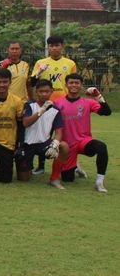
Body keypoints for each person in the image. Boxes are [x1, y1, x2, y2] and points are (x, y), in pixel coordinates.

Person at [52, 73, 111, 192]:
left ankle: (99, 182)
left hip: (84, 141)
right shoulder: (57, 103)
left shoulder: (88, 102)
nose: (74, 85)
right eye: (71, 83)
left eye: (77, 83)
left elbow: (106, 112)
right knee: (68, 179)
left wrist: (98, 96)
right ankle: (75, 167)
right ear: (66, 84)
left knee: (101, 147)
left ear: (81, 85)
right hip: (67, 146)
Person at [30, 35, 77, 176]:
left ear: (62, 46)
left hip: (64, 104)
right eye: (51, 45)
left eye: (57, 45)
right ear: (48, 47)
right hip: (46, 104)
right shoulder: (41, 62)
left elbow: (74, 83)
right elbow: (32, 82)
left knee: (66, 134)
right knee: (43, 133)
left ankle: (73, 164)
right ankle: (41, 166)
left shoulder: (70, 63)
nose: (54, 48)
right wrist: (39, 72)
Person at [17, 79, 68, 188]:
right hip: (27, 145)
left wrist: (55, 144)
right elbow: (26, 123)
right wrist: (42, 110)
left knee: (64, 146)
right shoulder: (30, 105)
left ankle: (54, 178)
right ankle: (28, 168)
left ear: (52, 91)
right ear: (36, 91)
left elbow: (59, 132)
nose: (44, 94)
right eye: (41, 91)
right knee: (23, 179)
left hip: (44, 144)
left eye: (47, 91)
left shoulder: (56, 110)